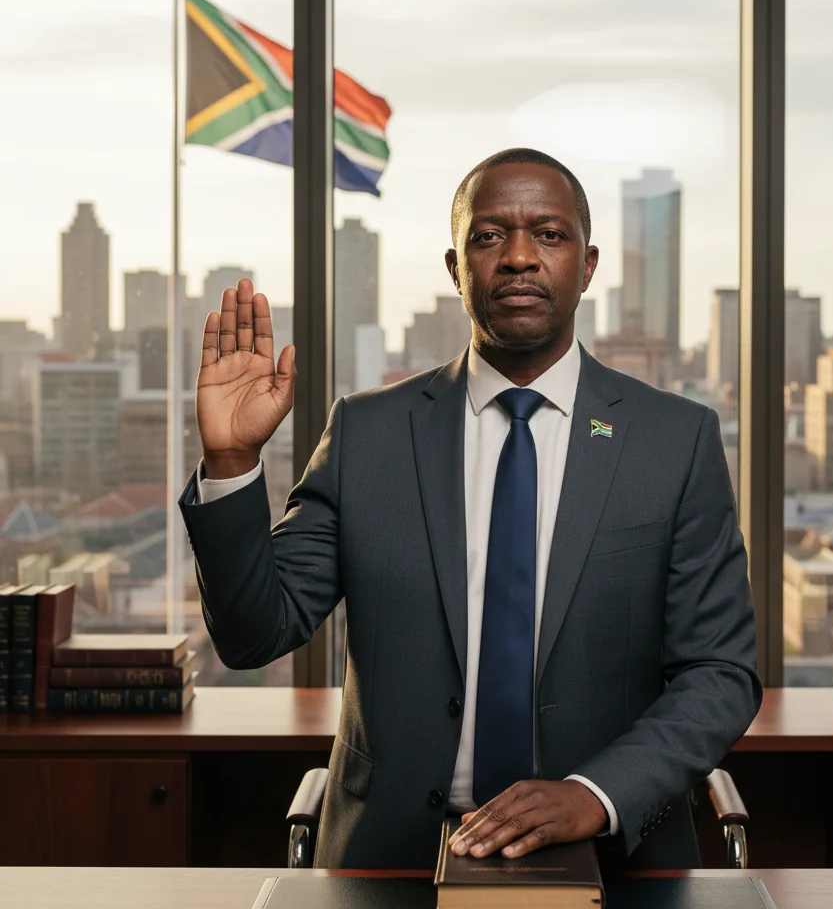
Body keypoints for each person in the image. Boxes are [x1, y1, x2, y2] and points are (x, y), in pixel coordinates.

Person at [179, 147, 761, 870]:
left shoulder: (674, 440)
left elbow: (720, 670)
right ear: (457, 269)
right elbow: (253, 634)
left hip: (613, 858)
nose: (519, 256)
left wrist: (595, 793)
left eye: (548, 234)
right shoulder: (369, 433)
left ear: (587, 264)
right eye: (489, 236)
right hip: (389, 859)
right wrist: (232, 464)